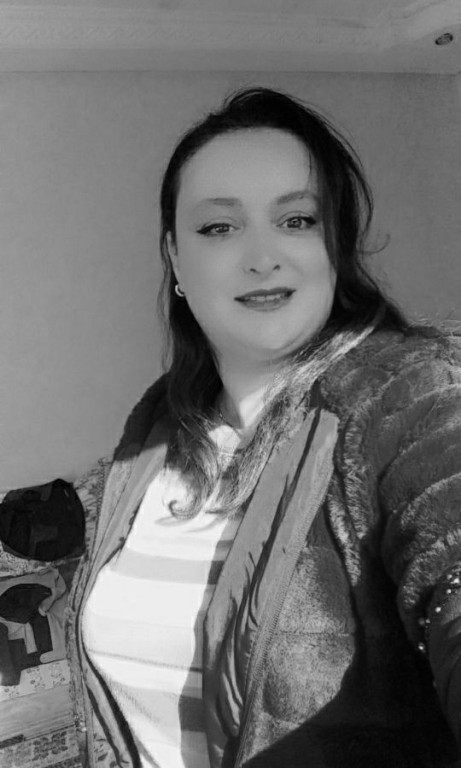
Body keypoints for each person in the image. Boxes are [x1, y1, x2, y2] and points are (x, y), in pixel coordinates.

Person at [65, 87, 461, 768]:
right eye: (219, 227)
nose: (262, 256)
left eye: (297, 219)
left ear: (335, 244)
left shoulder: (409, 396)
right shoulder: (153, 432)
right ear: (175, 258)